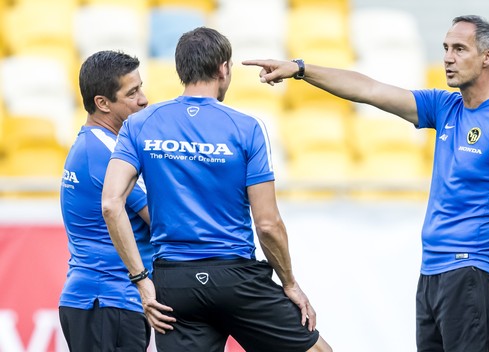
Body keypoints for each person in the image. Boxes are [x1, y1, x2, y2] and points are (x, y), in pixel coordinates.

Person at [243, 15, 489, 351]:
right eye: (446, 48)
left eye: (459, 49)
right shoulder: (446, 106)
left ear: (488, 57)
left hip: (474, 273)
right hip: (433, 274)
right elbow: (370, 89)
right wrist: (301, 69)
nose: (447, 57)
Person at [101, 27, 332, 352]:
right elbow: (267, 224)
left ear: (181, 70)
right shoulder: (246, 127)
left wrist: (141, 282)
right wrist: (290, 283)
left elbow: (111, 204)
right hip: (235, 277)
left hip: (173, 283)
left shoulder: (139, 125)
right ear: (224, 68)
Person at [59, 50, 153, 351]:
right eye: (132, 93)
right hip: (108, 301)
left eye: (141, 88)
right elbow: (161, 217)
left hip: (104, 301)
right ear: (102, 103)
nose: (144, 99)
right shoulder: (107, 154)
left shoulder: (96, 145)